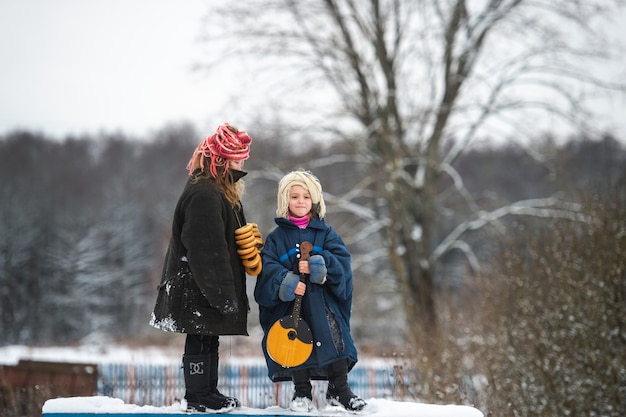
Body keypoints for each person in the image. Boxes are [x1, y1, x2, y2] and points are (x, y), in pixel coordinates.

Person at [150, 123, 258, 413]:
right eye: (238, 157)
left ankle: (208, 392)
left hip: (202, 284)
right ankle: (198, 396)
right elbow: (206, 249)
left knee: (208, 336)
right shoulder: (205, 194)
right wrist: (222, 293)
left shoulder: (218, 189)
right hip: (196, 284)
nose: (243, 161)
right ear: (222, 160)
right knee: (200, 336)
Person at [254, 170, 366, 413]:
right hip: (292, 305)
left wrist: (320, 264)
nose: (301, 201)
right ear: (286, 201)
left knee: (335, 337)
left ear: (314, 200)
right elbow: (267, 270)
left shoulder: (326, 234)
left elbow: (342, 264)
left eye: (306, 196)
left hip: (322, 303)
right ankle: (301, 392)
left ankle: (340, 391)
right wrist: (287, 280)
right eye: (295, 197)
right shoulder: (276, 238)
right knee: (295, 342)